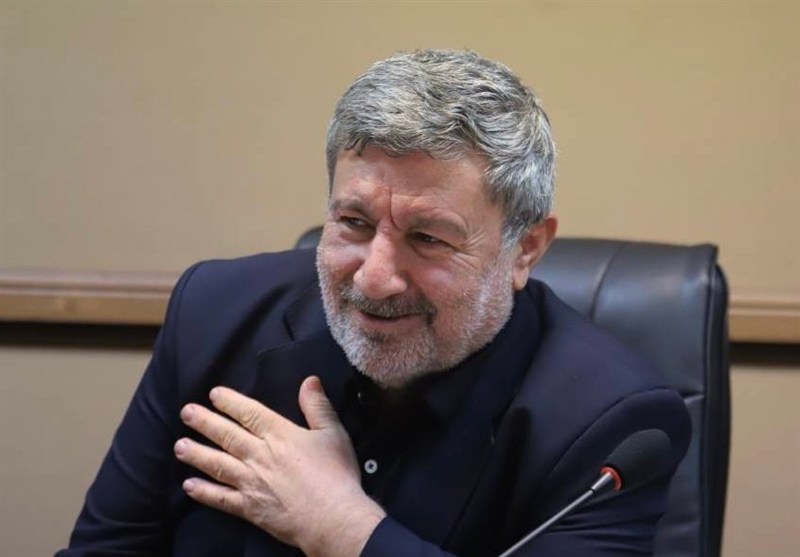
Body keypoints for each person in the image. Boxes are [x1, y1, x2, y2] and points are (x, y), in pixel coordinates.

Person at [58, 49, 690, 557]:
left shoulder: (610, 422)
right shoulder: (216, 315)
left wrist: (344, 529)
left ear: (524, 249)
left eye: (428, 238)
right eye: (354, 224)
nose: (375, 278)